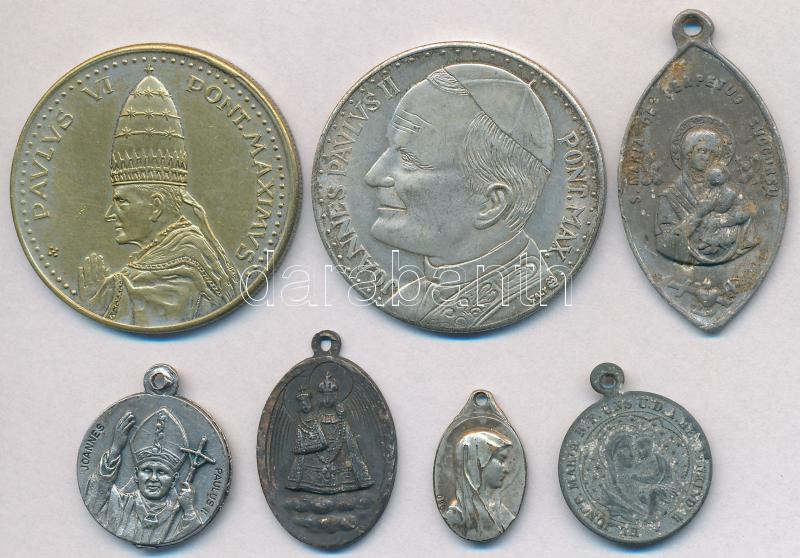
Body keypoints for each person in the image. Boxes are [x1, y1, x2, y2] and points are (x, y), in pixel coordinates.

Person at [364, 64, 555, 329]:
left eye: (408, 159)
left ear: (491, 204)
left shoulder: (524, 294)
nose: (373, 176)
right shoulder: (409, 298)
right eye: (389, 151)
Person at [78, 73, 237, 326]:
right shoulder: (165, 257)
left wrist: (99, 301)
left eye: (121, 201)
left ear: (156, 206)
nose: (110, 213)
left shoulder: (185, 269)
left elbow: (153, 318)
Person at [84, 409, 201, 545]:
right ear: (136, 475)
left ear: (174, 479)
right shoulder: (118, 504)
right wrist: (115, 449)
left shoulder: (180, 515)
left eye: (161, 472)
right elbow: (94, 497)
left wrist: (189, 510)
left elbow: (191, 533)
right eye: (146, 470)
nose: (153, 478)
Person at [656, 116, 757, 265]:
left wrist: (724, 221)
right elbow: (665, 244)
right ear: (688, 153)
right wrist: (699, 215)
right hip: (687, 260)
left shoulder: (726, 189)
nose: (707, 157)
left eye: (713, 153)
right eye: (702, 151)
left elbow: (748, 215)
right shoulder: (671, 195)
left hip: (728, 252)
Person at [285, 365, 373, 494]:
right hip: (313, 463)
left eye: (331, 395)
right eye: (324, 395)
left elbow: (351, 446)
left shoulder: (341, 418)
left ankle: (359, 478)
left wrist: (341, 418)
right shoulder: (314, 416)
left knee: (350, 446)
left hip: (340, 461)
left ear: (336, 395)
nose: (327, 399)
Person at [443, 430, 514, 540]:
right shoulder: (455, 518)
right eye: (501, 460)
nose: (506, 469)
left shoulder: (503, 514)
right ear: (477, 464)